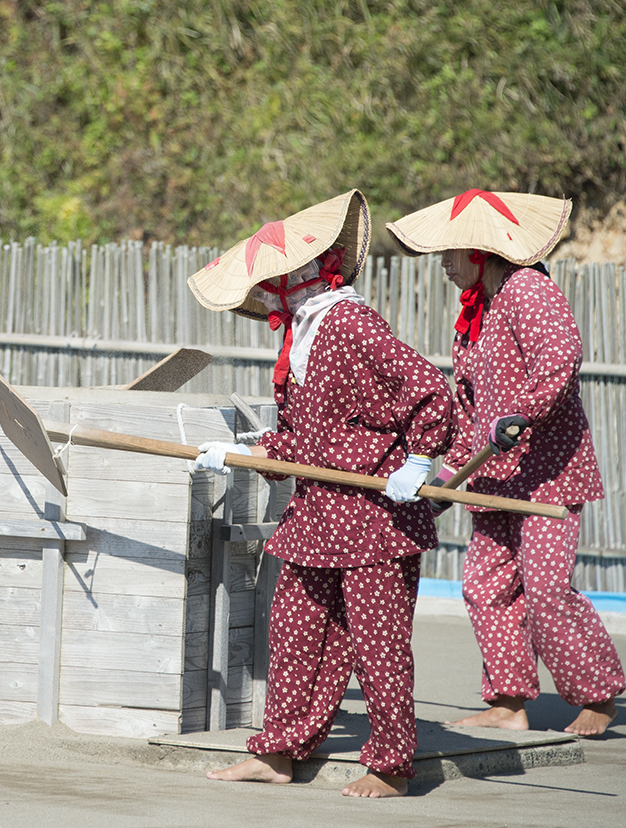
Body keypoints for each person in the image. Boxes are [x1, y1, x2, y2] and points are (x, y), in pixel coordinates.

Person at [187, 190, 455, 797]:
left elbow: (428, 389)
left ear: (293, 279)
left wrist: (418, 458)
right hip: (319, 512)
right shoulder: (306, 330)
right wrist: (251, 450)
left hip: (372, 515)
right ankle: (279, 750)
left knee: (378, 644)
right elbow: (313, 438)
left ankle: (390, 764)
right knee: (297, 628)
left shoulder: (349, 320)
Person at [386, 188, 625, 736]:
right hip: (494, 477)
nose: (443, 266)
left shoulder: (527, 289)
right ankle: (510, 699)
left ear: (478, 252)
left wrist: (522, 413)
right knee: (484, 583)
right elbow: (472, 412)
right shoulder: (476, 312)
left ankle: (597, 696)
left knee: (543, 588)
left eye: (449, 255)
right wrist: (443, 476)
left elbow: (561, 357)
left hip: (547, 472)